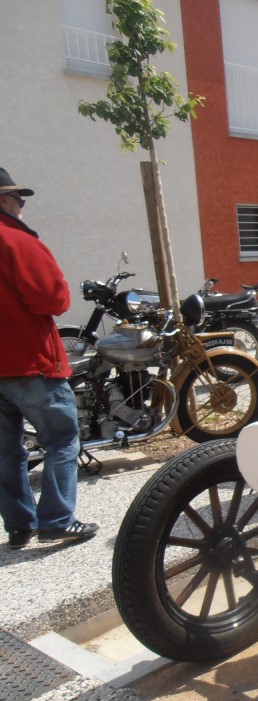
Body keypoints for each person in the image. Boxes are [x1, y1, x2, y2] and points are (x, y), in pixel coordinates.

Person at [0, 167, 97, 548]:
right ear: (4, 201)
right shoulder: (17, 241)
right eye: (19, 200)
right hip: (29, 361)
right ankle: (56, 519)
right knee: (61, 439)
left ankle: (19, 525)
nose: (22, 207)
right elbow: (53, 299)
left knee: (6, 451)